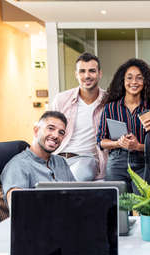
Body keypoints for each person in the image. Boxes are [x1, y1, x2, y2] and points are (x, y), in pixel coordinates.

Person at [97, 58, 150, 192]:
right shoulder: (110, 108)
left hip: (144, 162)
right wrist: (118, 143)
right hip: (117, 162)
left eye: (139, 78)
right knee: (118, 206)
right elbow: (101, 141)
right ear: (123, 81)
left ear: (145, 82)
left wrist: (138, 146)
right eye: (129, 78)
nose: (134, 82)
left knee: (144, 206)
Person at [51, 52, 107, 181]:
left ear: (100, 73)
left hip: (86, 160)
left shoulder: (108, 102)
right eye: (82, 71)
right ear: (76, 74)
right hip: (57, 157)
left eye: (92, 71)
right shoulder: (61, 99)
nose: (87, 76)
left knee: (74, 178)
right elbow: (47, 129)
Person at [1, 111, 75, 205]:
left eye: (61, 133)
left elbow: (77, 196)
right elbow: (17, 206)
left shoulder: (61, 162)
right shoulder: (18, 165)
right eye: (51, 128)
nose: (56, 136)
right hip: (40, 218)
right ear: (36, 131)